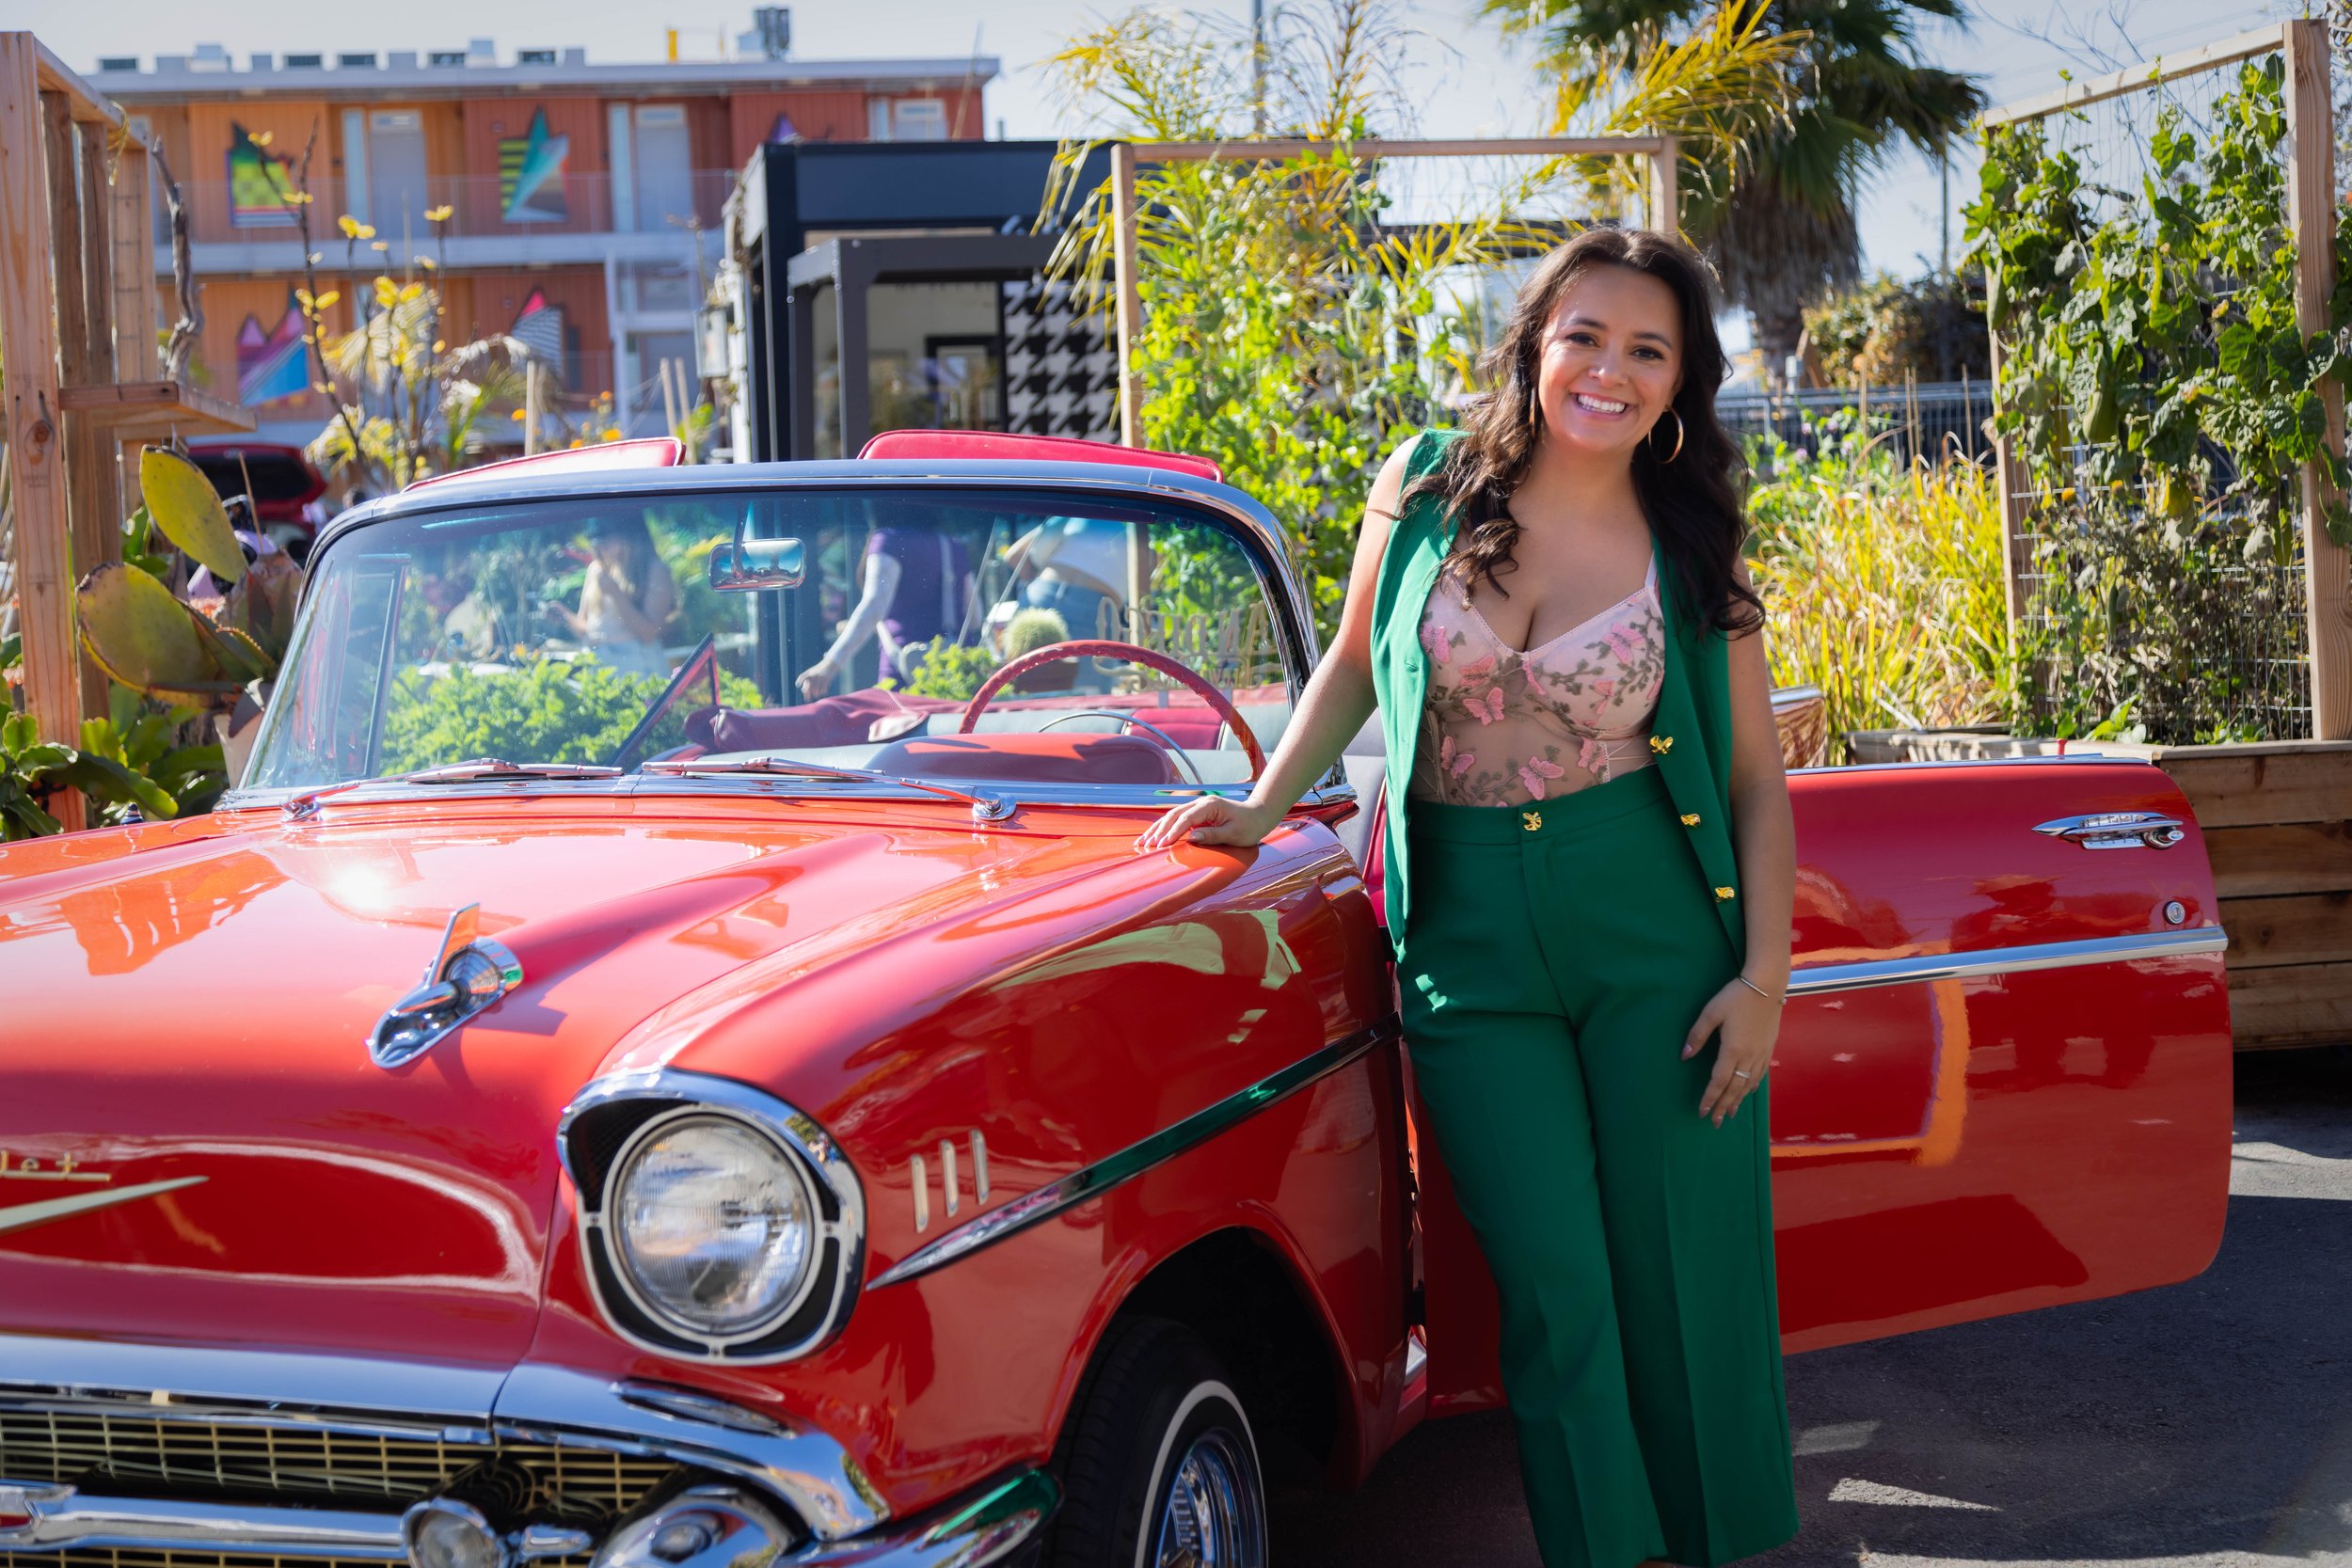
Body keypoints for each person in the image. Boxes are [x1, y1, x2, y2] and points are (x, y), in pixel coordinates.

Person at [1136, 228, 1800, 1568]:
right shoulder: (1428, 482)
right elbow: (1345, 663)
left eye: (1647, 350)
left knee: (1680, 1264)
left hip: (1652, 919)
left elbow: (1754, 785)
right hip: (1464, 924)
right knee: (1554, 1283)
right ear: (1535, 341)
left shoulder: (1691, 535)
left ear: (1682, 382)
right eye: (1584, 336)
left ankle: (1716, 1546)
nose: (1608, 369)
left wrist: (1763, 981)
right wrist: (1265, 803)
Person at [797, 508, 975, 698]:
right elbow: (974, 618)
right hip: (954, 682)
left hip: (904, 682)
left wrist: (830, 664)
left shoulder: (888, 541)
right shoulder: (953, 546)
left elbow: (875, 605)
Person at [548, 515, 676, 678]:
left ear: (627, 532)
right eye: (593, 535)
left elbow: (649, 634)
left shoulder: (655, 570)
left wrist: (615, 594)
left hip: (639, 670)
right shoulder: (596, 569)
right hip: (600, 667)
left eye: (604, 533)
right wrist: (564, 615)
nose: (597, 541)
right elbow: (587, 629)